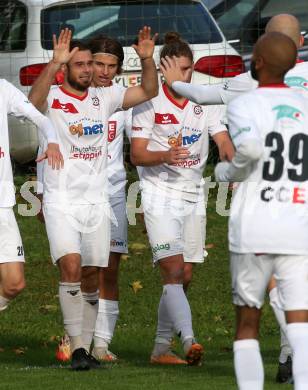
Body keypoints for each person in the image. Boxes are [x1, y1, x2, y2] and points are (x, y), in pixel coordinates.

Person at [161, 13, 308, 383]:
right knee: (298, 305)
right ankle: (296, 363)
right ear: (298, 48)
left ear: (258, 58)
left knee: (248, 319)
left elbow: (206, 97)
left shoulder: (244, 92)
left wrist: (176, 83)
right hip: (299, 209)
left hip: (258, 215)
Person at [29, 27, 158, 371]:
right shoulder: (54, 97)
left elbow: (148, 89)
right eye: (80, 64)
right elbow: (32, 102)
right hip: (60, 200)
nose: (87, 70)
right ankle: (76, 349)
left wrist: (147, 58)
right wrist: (52, 64)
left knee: (91, 274)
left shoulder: (107, 98)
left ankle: (84, 347)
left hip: (97, 202)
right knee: (70, 266)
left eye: (90, 64)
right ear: (67, 68)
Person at [131, 32, 234, 365]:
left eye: (189, 69)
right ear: (162, 70)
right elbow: (137, 155)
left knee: (185, 275)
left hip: (193, 195)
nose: (185, 76)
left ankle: (161, 348)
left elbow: (223, 139)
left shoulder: (203, 97)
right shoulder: (148, 100)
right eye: (178, 70)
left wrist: (233, 167)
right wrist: (164, 156)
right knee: (173, 270)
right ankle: (189, 340)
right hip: (158, 195)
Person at [215, 31, 308, 390]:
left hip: (256, 225)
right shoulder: (304, 103)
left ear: (260, 62)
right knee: (300, 320)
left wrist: (226, 171)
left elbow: (251, 149)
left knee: (247, 322)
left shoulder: (245, 104)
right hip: (297, 223)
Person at [0, 78, 63, 318]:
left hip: (2, 204)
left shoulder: (3, 89)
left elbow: (40, 117)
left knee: (14, 283)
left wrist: (53, 142)